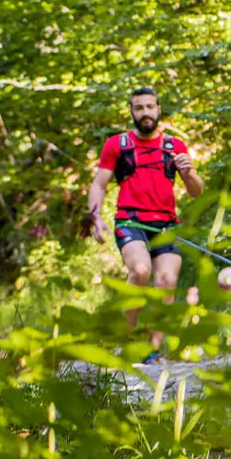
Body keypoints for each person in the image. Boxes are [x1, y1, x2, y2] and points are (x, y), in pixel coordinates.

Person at [87, 86, 203, 360]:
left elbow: (197, 191)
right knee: (140, 271)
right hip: (130, 220)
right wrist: (96, 216)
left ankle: (151, 351)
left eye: (150, 107)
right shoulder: (117, 145)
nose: (145, 113)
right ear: (131, 111)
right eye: (138, 108)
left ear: (159, 109)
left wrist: (188, 173)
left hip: (166, 225)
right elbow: (99, 184)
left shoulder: (175, 146)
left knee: (166, 281)